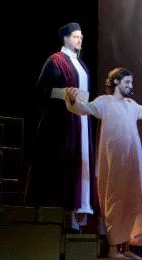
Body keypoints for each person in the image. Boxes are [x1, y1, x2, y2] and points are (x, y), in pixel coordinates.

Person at [64, 67, 142, 260]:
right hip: (114, 160)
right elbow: (85, 108)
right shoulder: (104, 102)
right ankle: (113, 248)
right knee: (115, 200)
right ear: (116, 81)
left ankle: (125, 247)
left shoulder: (132, 105)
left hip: (132, 161)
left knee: (132, 199)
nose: (131, 86)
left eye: (131, 82)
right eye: (127, 82)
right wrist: (73, 101)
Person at [26, 22, 96, 229]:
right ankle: (62, 212)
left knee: (81, 161)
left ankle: (80, 213)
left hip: (82, 120)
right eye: (75, 36)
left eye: (81, 36)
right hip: (63, 121)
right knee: (63, 163)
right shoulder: (55, 61)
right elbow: (41, 90)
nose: (79, 39)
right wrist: (64, 94)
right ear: (65, 39)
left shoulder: (81, 64)